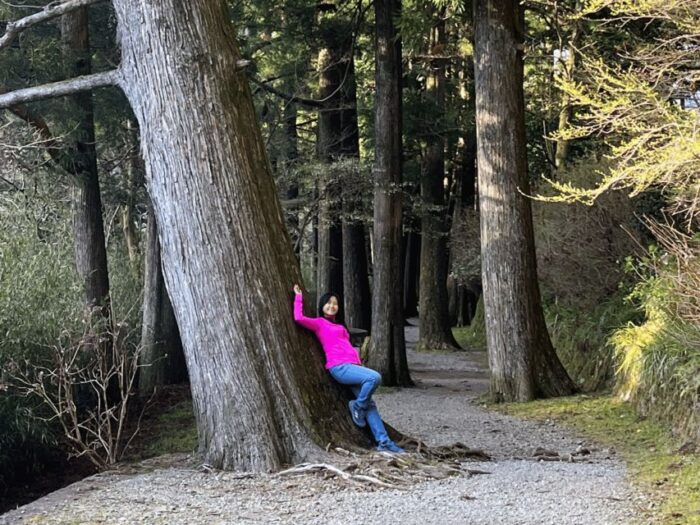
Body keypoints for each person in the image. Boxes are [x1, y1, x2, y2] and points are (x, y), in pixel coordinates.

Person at [292, 284, 405, 453]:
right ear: (322, 306)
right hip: (339, 367)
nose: (332, 306)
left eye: (335, 303)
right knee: (374, 377)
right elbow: (299, 318)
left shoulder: (341, 326)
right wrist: (298, 297)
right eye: (328, 303)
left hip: (353, 367)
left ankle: (384, 442)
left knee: (370, 405)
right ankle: (357, 406)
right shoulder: (319, 323)